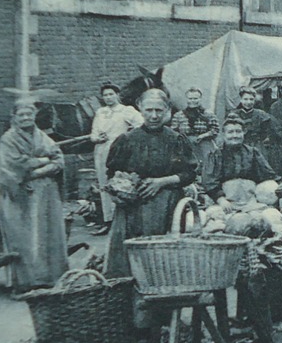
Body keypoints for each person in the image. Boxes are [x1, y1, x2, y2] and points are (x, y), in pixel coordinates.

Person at [102, 88, 198, 278]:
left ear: (167, 110)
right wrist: (120, 189)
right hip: (133, 209)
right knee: (132, 262)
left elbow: (189, 173)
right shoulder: (127, 140)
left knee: (164, 262)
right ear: (140, 108)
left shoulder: (176, 139)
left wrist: (161, 182)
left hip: (167, 207)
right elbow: (112, 173)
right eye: (149, 110)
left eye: (159, 110)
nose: (154, 115)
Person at [0, 98, 70, 291]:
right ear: (14, 117)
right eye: (21, 114)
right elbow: (14, 164)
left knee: (49, 233)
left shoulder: (43, 137)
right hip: (22, 196)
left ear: (34, 116)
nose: (25, 118)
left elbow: (58, 158)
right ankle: (28, 280)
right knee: (27, 237)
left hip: (46, 194)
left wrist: (45, 166)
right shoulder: (8, 138)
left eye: (29, 114)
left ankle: (52, 276)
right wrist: (41, 163)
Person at [88, 82, 144, 222]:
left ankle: (121, 217)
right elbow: (93, 134)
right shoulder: (101, 112)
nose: (108, 97)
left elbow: (141, 125)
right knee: (103, 184)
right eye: (105, 95)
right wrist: (97, 138)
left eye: (111, 94)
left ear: (117, 95)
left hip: (119, 151)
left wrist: (127, 138)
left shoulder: (126, 110)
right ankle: (108, 219)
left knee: (118, 182)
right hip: (101, 150)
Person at [201, 116, 280, 199]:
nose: (235, 135)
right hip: (223, 202)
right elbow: (209, 182)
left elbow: (268, 175)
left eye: (238, 131)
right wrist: (220, 199)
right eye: (230, 132)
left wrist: (279, 185)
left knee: (272, 212)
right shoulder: (215, 155)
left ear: (244, 132)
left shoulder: (252, 152)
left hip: (251, 200)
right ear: (224, 134)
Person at [173, 87, 220, 169]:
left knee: (208, 165)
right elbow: (173, 131)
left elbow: (215, 129)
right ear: (187, 99)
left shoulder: (208, 114)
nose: (193, 101)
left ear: (200, 99)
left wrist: (203, 136)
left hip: (204, 143)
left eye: (195, 98)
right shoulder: (179, 115)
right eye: (190, 98)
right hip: (186, 145)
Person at [231, 85, 276, 150]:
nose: (248, 102)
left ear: (254, 100)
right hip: (239, 146)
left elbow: (269, 132)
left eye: (251, 99)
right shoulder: (234, 115)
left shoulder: (261, 114)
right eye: (245, 99)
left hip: (257, 146)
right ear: (241, 100)